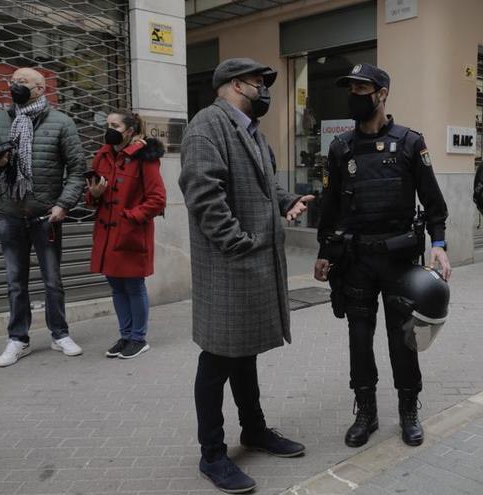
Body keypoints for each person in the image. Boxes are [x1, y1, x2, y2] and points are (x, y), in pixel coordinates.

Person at [179, 58, 314, 493]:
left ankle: (253, 429)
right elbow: (203, 195)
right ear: (236, 84)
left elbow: (264, 186)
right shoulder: (207, 126)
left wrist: (287, 199)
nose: (265, 90)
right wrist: (238, 242)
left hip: (248, 266)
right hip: (228, 266)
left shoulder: (250, 131)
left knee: (245, 351)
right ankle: (212, 454)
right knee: (218, 357)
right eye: (260, 82)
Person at [314, 63, 451, 449]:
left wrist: (438, 246)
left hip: (399, 261)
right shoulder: (341, 148)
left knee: (402, 340)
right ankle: (366, 412)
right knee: (359, 339)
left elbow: (435, 205)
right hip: (356, 262)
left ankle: (409, 410)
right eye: (351, 89)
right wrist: (326, 251)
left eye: (363, 88)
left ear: (382, 94)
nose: (355, 95)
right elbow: (332, 209)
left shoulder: (410, 143)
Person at [0, 67, 86, 367]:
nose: (15, 86)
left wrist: (63, 204)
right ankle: (18, 339)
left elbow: (77, 170)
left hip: (45, 216)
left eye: (22, 82)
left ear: (40, 89)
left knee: (53, 280)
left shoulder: (62, 122)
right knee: (15, 281)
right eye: (12, 82)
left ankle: (59, 334)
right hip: (10, 213)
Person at [86, 110, 166, 359]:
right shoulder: (102, 155)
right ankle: (125, 335)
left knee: (133, 285)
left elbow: (158, 199)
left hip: (130, 233)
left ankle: (138, 338)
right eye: (108, 124)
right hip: (107, 234)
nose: (109, 129)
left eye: (116, 125)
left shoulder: (145, 157)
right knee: (116, 286)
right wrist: (95, 194)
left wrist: (131, 217)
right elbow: (90, 197)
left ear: (130, 130)